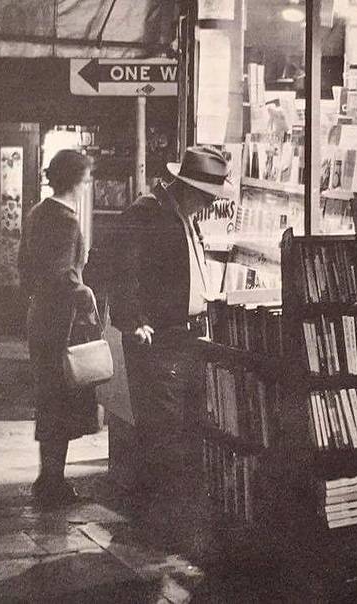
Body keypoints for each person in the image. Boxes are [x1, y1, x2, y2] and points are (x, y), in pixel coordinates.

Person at [110, 146, 229, 497]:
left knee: (179, 426)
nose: (210, 207)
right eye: (208, 198)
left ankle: (167, 509)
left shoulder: (184, 215)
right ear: (189, 189)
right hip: (159, 338)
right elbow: (121, 270)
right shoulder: (148, 213)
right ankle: (157, 516)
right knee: (163, 430)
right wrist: (132, 321)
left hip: (185, 336)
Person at [19, 149, 101, 506]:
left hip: (40, 317)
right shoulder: (65, 220)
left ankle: (48, 476)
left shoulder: (38, 213)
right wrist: (86, 292)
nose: (87, 186)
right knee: (62, 399)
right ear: (74, 181)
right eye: (85, 180)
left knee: (48, 398)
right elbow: (61, 274)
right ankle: (53, 481)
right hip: (60, 322)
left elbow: (26, 265)